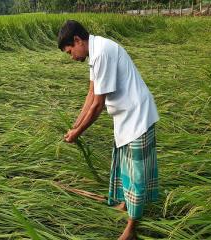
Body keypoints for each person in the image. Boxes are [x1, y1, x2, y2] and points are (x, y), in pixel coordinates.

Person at [58, 20, 159, 240]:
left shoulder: (102, 53)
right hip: (125, 118)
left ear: (77, 40)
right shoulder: (95, 53)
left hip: (137, 117)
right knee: (125, 167)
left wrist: (78, 133)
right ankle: (126, 204)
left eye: (69, 52)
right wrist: (75, 124)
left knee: (136, 174)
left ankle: (131, 229)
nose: (72, 57)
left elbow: (98, 105)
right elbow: (91, 94)